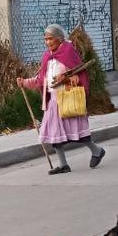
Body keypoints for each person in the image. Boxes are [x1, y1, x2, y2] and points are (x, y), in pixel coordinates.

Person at [17, 24, 106, 176]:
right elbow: (41, 80)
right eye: (45, 39)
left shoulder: (69, 52)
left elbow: (80, 77)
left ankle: (97, 151)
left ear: (59, 38)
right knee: (54, 133)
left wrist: (66, 79)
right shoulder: (47, 57)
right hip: (53, 102)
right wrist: (24, 82)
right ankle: (63, 165)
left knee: (78, 133)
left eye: (50, 39)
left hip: (68, 98)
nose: (48, 42)